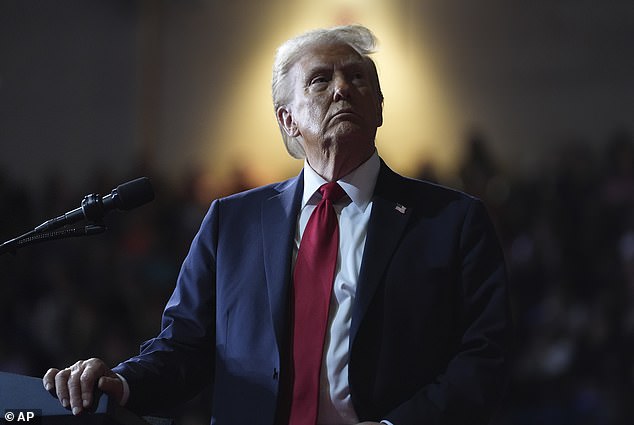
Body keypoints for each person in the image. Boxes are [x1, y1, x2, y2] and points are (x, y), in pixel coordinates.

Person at [43, 25, 512, 424]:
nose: (342, 89)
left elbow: (485, 357)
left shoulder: (452, 221)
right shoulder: (234, 221)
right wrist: (120, 381)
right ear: (288, 120)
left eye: (357, 78)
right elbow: (184, 345)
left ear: (380, 108)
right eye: (320, 81)